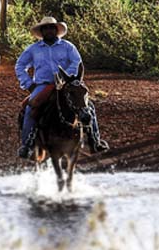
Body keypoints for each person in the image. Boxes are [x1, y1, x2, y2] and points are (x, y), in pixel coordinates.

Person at [14, 16, 107, 159]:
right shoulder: (33, 49)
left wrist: (66, 76)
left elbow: (76, 63)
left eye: (51, 28)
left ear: (56, 30)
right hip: (43, 85)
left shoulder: (68, 46)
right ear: (42, 31)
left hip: (67, 83)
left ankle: (95, 141)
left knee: (87, 105)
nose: (49, 31)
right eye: (45, 28)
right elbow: (20, 66)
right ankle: (27, 144)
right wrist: (29, 84)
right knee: (30, 108)